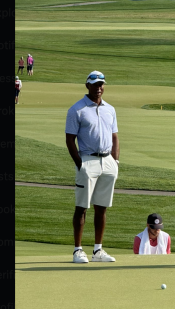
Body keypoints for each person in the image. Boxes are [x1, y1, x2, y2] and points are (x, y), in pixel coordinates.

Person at [65, 70, 120, 263]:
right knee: (82, 206)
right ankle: (78, 250)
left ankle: (98, 250)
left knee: (102, 207)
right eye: (95, 84)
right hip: (87, 160)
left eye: (101, 84)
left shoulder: (110, 109)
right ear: (87, 85)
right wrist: (80, 164)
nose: (99, 88)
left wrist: (116, 161)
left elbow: (114, 136)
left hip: (107, 162)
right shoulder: (77, 110)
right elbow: (70, 140)